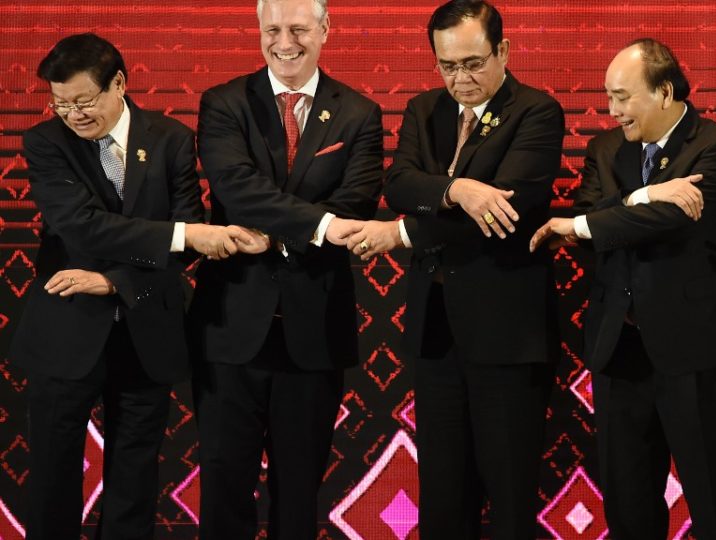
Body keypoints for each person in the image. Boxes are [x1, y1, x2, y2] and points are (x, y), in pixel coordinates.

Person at [11, 33, 253, 539]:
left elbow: (188, 237)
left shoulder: (170, 138)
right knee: (53, 477)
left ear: (119, 83)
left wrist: (112, 281)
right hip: (67, 329)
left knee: (135, 477)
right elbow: (82, 227)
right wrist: (181, 235)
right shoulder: (45, 142)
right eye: (61, 104)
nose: (73, 115)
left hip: (147, 329)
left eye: (83, 101)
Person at [342, 1, 563, 536]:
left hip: (506, 332)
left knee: (509, 493)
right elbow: (399, 185)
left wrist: (401, 233)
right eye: (447, 66)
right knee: (443, 492)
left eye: (473, 63)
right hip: (436, 327)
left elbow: (502, 213)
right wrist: (457, 189)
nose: (460, 79)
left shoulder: (536, 111)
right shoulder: (424, 110)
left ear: (503, 51)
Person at [530, 39, 716, 539]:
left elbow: (669, 220)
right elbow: (591, 222)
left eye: (622, 97)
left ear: (664, 92)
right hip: (620, 349)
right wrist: (644, 194)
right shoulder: (606, 149)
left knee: (712, 504)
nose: (611, 111)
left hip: (699, 350)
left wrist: (609, 218)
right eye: (608, 97)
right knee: (629, 506)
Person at [187, 0, 384, 537]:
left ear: (325, 29)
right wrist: (319, 225)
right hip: (230, 327)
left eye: (298, 28)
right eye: (272, 29)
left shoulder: (360, 112)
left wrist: (279, 233)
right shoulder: (224, 103)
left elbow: (357, 204)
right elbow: (236, 189)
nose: (284, 42)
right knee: (224, 489)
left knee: (299, 494)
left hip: (313, 328)